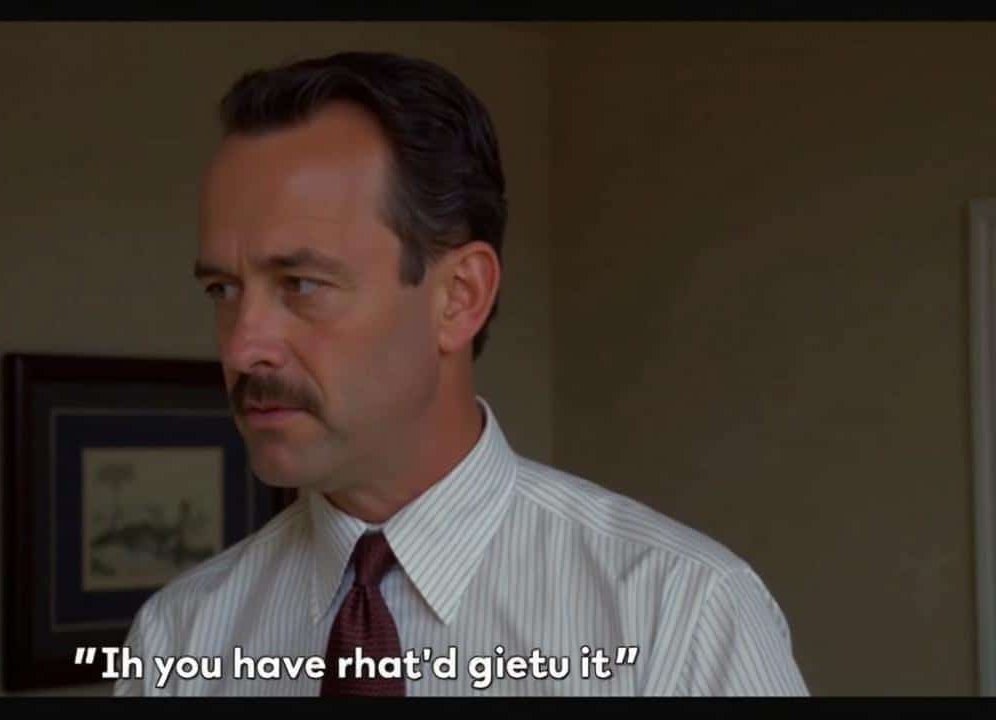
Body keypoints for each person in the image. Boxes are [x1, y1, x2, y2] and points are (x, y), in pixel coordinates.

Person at [114, 50, 808, 697]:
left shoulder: (681, 617)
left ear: (460, 297)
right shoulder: (179, 640)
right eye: (223, 290)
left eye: (300, 283)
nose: (242, 348)